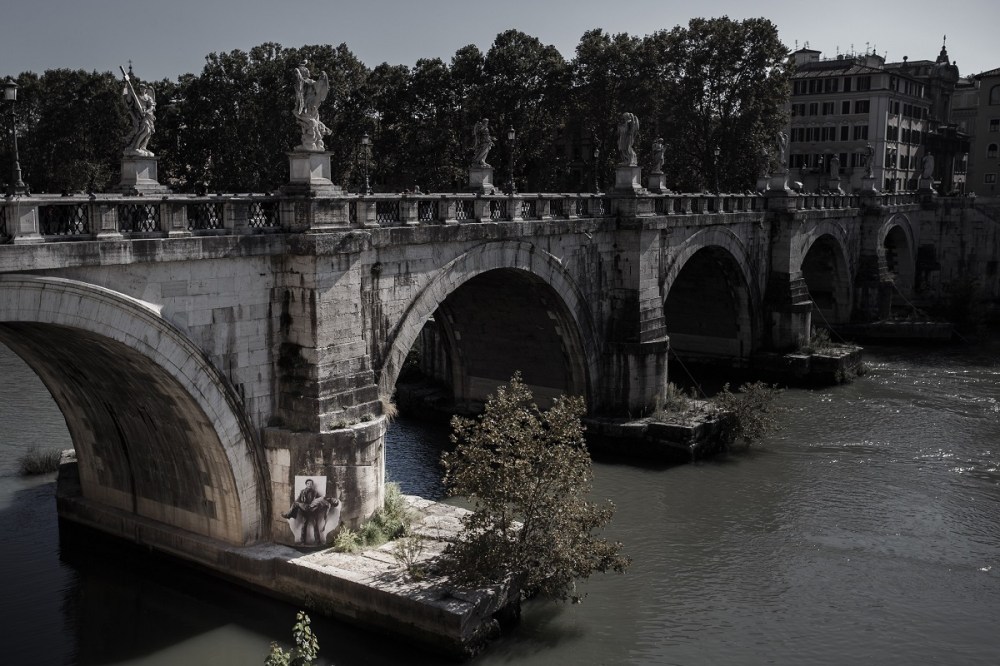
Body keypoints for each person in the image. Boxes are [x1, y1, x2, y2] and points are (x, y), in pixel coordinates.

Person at [282, 478, 328, 545]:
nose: (309, 485)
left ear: (312, 485)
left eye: (311, 484)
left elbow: (319, 501)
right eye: (308, 483)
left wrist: (317, 507)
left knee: (315, 525)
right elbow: (298, 500)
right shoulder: (302, 491)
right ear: (306, 484)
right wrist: (299, 505)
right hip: (305, 509)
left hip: (313, 510)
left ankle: (318, 541)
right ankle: (302, 542)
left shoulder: (315, 492)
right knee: (304, 525)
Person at [123, 81, 156, 156]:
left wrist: (147, 111)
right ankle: (136, 146)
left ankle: (143, 146)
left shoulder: (148, 97)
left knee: (148, 133)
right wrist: (129, 92)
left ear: (145, 89)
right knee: (145, 130)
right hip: (139, 116)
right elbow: (129, 102)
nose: (142, 89)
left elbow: (152, 106)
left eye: (143, 88)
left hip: (148, 115)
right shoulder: (137, 96)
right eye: (141, 88)